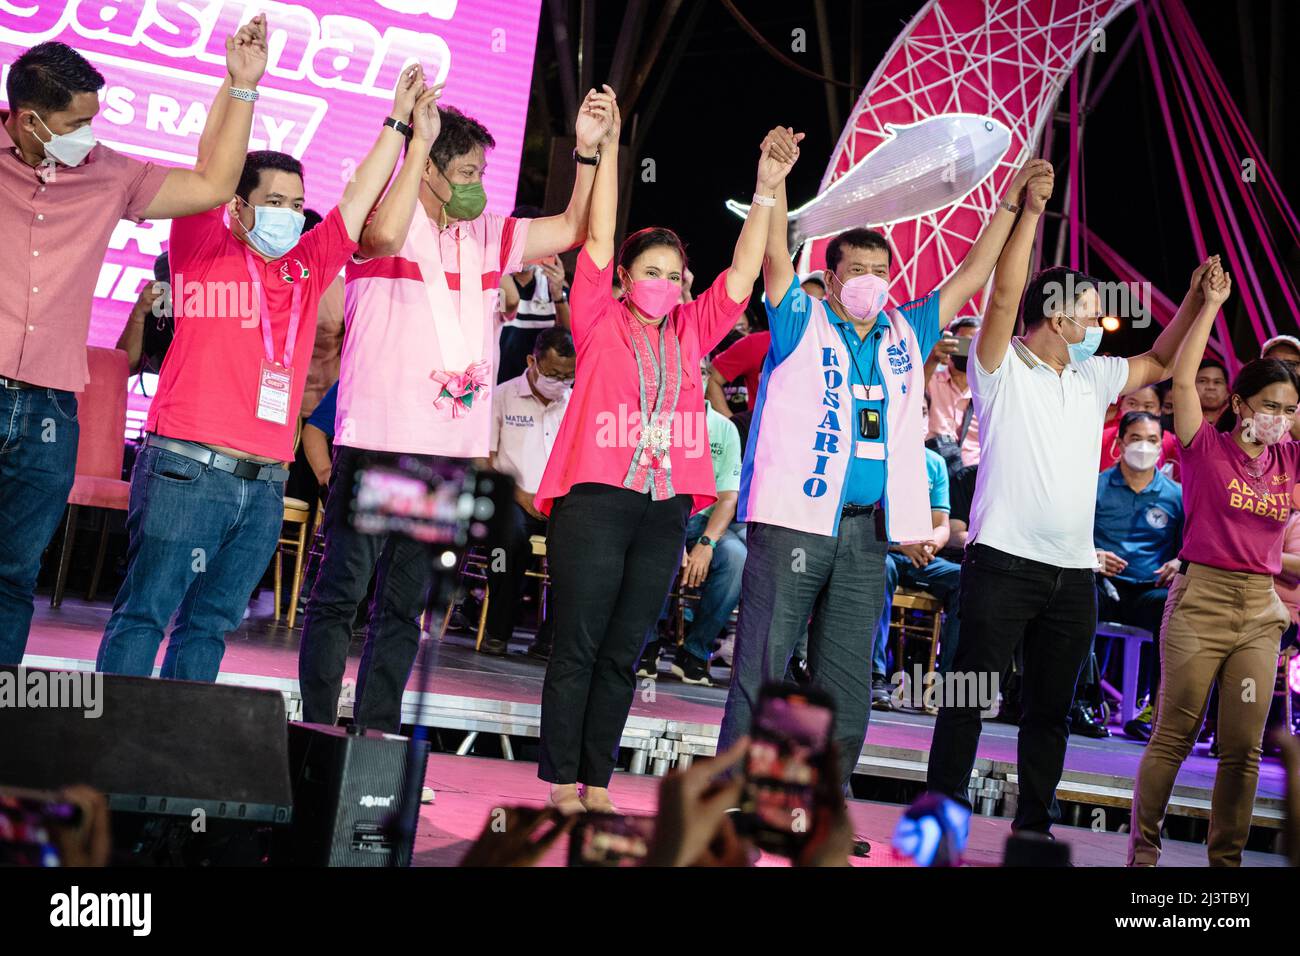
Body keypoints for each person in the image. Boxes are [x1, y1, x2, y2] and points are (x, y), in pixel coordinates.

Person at [717, 141, 1053, 794]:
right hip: (791, 525)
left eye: (880, 268)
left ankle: (825, 798)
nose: (870, 278)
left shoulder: (909, 331)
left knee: (845, 677)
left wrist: (1012, 202)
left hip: (866, 533)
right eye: (857, 268)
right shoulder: (798, 319)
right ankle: (734, 795)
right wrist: (774, 184)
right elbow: (775, 259)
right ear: (834, 276)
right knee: (762, 662)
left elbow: (973, 274)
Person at [94, 63, 437, 681]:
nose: (288, 213)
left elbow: (359, 197)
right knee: (146, 614)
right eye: (273, 202)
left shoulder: (307, 266)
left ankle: (170, 766)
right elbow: (213, 162)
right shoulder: (203, 244)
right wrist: (243, 85)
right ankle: (106, 761)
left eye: (297, 204)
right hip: (186, 466)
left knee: (211, 626)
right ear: (237, 206)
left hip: (266, 484)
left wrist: (397, 120)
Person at [296, 86, 611, 734]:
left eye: (481, 174)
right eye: (467, 173)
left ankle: (375, 737)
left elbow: (573, 229)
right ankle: (317, 737)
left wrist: (586, 152)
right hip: (378, 439)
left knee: (403, 606)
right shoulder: (387, 220)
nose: (478, 186)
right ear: (432, 171)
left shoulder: (488, 236)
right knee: (341, 598)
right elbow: (379, 230)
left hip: (445, 455)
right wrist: (414, 140)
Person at [922, 151, 1216, 835]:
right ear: (1054, 316)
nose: (1096, 325)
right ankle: (940, 815)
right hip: (1001, 563)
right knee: (969, 697)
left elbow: (1165, 359)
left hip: (1071, 573)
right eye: (1086, 313)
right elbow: (1002, 295)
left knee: (1050, 707)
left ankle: (1034, 820)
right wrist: (1030, 211)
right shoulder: (999, 370)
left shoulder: (1092, 379)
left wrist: (1201, 300)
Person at [0, 26, 271, 662]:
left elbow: (212, 184)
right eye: (76, 122)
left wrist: (243, 85)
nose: (88, 136)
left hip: (49, 406)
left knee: (12, 577)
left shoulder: (111, 175)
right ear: (29, 120)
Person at [532, 95, 768, 815]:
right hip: (596, 503)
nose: (663, 283)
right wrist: (598, 151)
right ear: (627, 278)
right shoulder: (598, 319)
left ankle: (597, 783)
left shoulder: (693, 334)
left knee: (623, 652)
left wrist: (765, 187)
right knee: (577, 643)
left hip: (665, 511)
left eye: (674, 273)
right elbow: (598, 235)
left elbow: (745, 272)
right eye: (651, 271)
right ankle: (560, 784)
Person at [1128, 263, 1297, 867]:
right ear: (1242, 402)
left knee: (1243, 749)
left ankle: (1224, 869)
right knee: (1173, 736)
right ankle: (1143, 857)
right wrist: (1208, 306)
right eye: (1272, 404)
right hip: (1200, 603)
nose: (1282, 416)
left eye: (1292, 408)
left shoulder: (1291, 462)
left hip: (1259, 612)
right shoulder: (1205, 446)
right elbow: (1180, 382)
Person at [638, 387, 746, 686]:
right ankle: (647, 642)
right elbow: (648, 478)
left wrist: (707, 544)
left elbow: (728, 496)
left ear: (706, 377)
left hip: (704, 525)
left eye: (698, 371)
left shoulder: (725, 428)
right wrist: (673, 532)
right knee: (658, 550)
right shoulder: (656, 419)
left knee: (737, 558)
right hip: (660, 517)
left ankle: (696, 651)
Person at [480, 326, 575, 657]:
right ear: (532, 361)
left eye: (567, 377)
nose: (559, 383)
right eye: (552, 374)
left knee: (582, 549)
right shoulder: (502, 396)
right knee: (506, 545)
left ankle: (550, 637)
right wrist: (520, 495)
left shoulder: (575, 404)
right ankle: (497, 628)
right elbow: (483, 460)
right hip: (512, 500)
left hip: (559, 503)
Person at [1091, 410, 1184, 742]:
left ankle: (1155, 710)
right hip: (1102, 586)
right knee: (1074, 598)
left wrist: (1178, 561)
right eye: (1135, 438)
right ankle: (1083, 701)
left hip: (1150, 591)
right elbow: (1070, 537)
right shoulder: (1094, 486)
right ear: (1119, 443)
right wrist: (1093, 557)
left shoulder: (1176, 496)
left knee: (1177, 611)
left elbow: (1190, 548)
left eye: (1152, 440)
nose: (1143, 447)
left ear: (1162, 447)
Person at [871, 423, 959, 711]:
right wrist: (901, 543)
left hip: (922, 556)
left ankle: (947, 686)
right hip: (884, 549)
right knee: (880, 569)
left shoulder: (935, 464)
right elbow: (867, 516)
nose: (917, 418)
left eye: (923, 412)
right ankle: (876, 676)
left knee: (966, 580)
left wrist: (930, 544)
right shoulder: (879, 454)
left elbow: (942, 525)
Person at [497, 203, 571, 383]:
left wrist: (558, 294)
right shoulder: (497, 278)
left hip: (537, 385)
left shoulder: (553, 282)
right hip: (497, 381)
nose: (529, 248)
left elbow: (568, 337)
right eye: (523, 240)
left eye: (534, 241)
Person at [925, 316, 982, 468]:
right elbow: (909, 397)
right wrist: (932, 359)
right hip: (935, 468)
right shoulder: (930, 380)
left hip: (973, 476)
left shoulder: (986, 393)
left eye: (977, 343)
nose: (971, 349)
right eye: (965, 342)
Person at [1098, 386, 1180, 472]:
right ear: (1121, 405)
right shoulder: (1103, 438)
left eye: (1148, 406)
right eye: (1132, 404)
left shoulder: (1169, 441)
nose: (1139, 410)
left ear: (1159, 410)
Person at [1195, 357, 1230, 426]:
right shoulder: (1175, 424)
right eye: (1202, 381)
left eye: (1217, 382)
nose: (1211, 387)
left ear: (1227, 393)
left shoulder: (1238, 428)